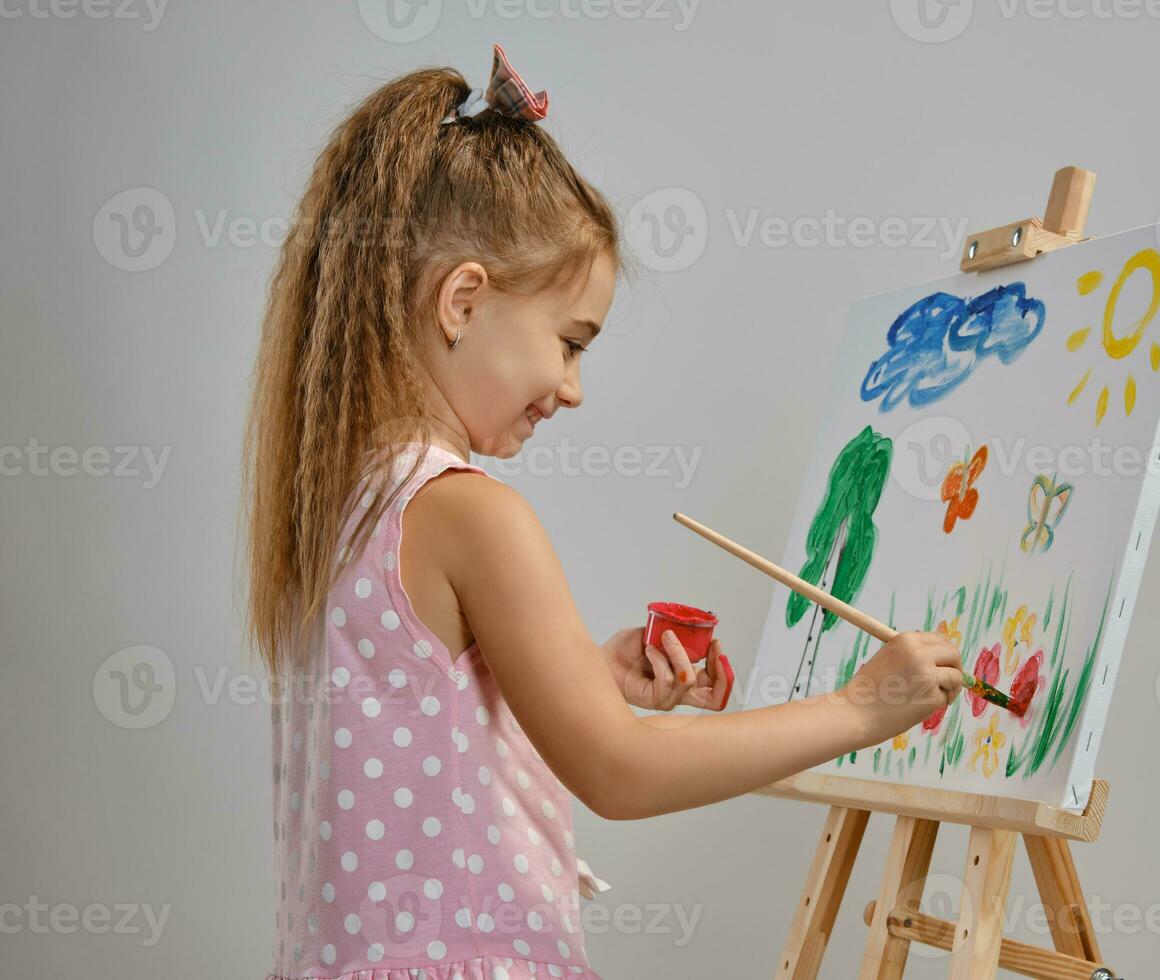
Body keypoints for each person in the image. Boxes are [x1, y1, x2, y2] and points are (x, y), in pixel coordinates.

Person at [242, 43, 964, 980]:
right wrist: (864, 707)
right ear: (463, 300)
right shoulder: (470, 515)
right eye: (570, 341)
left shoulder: (339, 505)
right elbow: (619, 772)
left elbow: (426, 717)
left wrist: (585, 674)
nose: (574, 389)